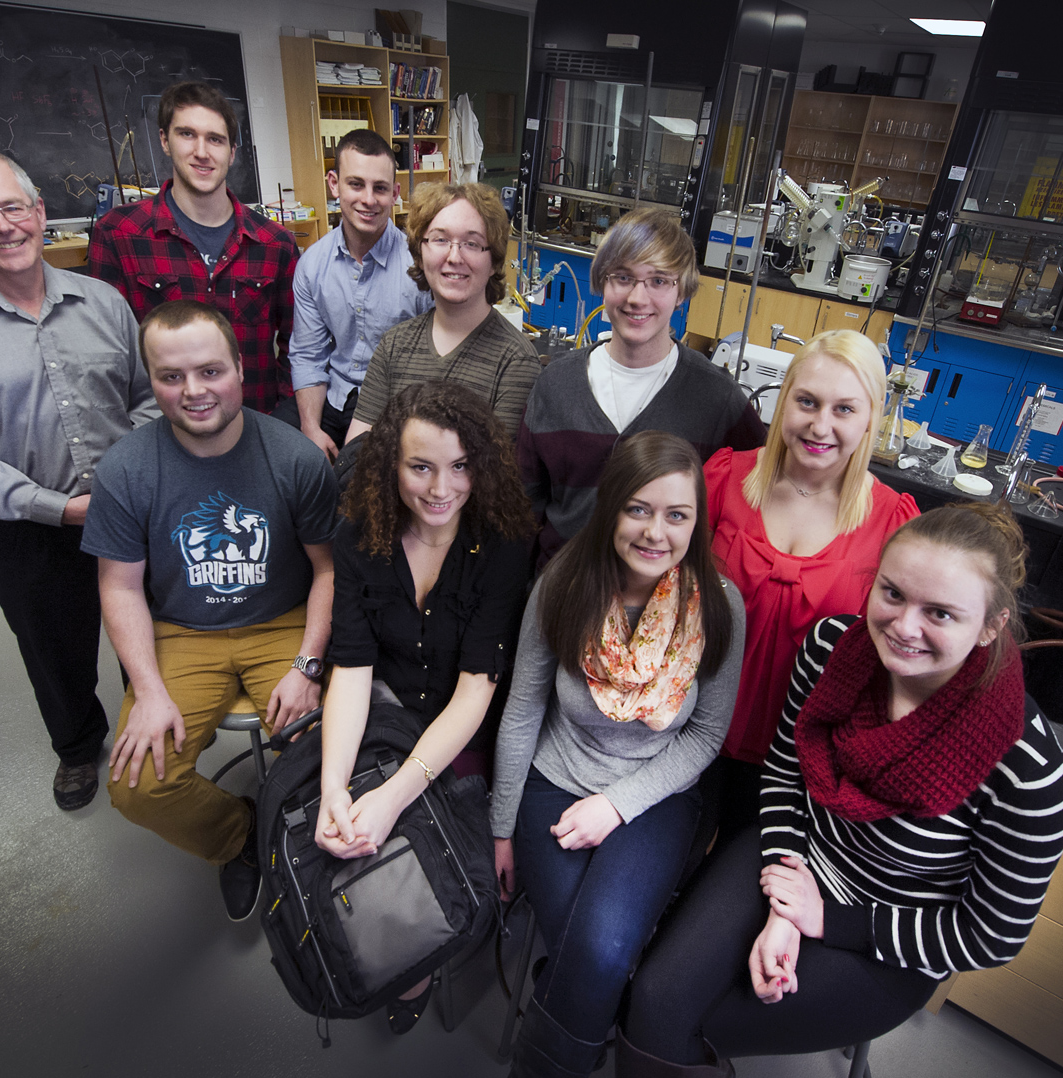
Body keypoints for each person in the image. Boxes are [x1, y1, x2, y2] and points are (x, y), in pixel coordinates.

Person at [618, 504, 1063, 1078]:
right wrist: (788, 902)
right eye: (892, 594)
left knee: (686, 1021)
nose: (904, 628)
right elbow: (785, 773)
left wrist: (826, 920)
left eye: (939, 613)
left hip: (891, 936)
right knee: (652, 1000)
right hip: (797, 858)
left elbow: (991, 935)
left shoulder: (1027, 771)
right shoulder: (832, 648)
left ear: (991, 626)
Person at [0, 145, 156, 811]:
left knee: (150, 626)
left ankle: (153, 724)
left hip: (130, 509)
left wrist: (125, 485)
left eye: (13, 206)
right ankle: (77, 747)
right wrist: (62, 509)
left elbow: (148, 398)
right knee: (52, 644)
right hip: (29, 527)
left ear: (40, 212)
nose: (2, 225)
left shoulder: (103, 302)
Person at [491, 432, 746, 1078]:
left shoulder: (719, 606)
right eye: (638, 509)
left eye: (676, 514)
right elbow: (522, 711)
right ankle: (595, 1013)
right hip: (557, 779)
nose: (655, 531)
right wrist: (501, 827)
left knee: (599, 950)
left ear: (697, 521)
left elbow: (704, 738)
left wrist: (614, 806)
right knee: (602, 955)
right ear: (610, 508)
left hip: (653, 797)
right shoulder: (562, 586)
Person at [80, 300, 336, 921]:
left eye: (209, 371)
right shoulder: (126, 469)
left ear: (241, 368)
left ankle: (317, 850)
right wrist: (147, 689)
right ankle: (241, 836)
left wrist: (306, 666)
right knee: (138, 786)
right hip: (182, 631)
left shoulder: (294, 458)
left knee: (334, 752)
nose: (193, 391)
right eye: (171, 377)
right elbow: (119, 588)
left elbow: (330, 570)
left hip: (282, 622)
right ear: (151, 381)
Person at [316, 381, 533, 1033]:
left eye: (461, 466)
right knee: (341, 839)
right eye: (422, 466)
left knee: (424, 856)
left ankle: (412, 970)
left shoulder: (502, 540)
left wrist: (392, 796)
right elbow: (351, 668)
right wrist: (334, 786)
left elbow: (476, 688)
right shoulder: (360, 535)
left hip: (461, 728)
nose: (443, 488)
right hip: (382, 713)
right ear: (391, 465)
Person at [703, 330, 918, 832]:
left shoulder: (895, 524)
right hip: (691, 731)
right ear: (783, 403)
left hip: (801, 764)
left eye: (844, 409)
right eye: (807, 402)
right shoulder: (723, 479)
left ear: (870, 421)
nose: (820, 425)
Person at [517, 208, 766, 570]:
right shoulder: (555, 385)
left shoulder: (717, 399)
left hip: (665, 614)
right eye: (623, 277)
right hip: (559, 601)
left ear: (682, 292)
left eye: (659, 281)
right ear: (602, 282)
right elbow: (524, 511)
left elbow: (753, 504)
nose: (637, 298)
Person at [87, 80, 298, 413]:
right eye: (187, 134)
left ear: (231, 152)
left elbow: (295, 346)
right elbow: (106, 354)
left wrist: (286, 422)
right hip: (162, 434)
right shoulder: (119, 235)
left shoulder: (275, 244)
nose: (202, 152)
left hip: (256, 428)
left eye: (215, 139)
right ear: (164, 140)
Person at [343, 182, 540, 443]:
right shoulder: (394, 345)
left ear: (493, 261)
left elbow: (495, 475)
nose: (454, 256)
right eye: (440, 239)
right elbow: (357, 452)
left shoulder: (516, 361)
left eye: (472, 243)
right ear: (420, 253)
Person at [276, 129, 432, 459]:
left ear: (395, 193)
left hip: (394, 407)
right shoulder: (312, 265)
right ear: (334, 183)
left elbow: (431, 366)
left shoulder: (420, 267)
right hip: (334, 395)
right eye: (356, 184)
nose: (368, 199)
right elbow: (308, 354)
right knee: (276, 449)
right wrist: (310, 429)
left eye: (380, 188)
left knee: (355, 478)